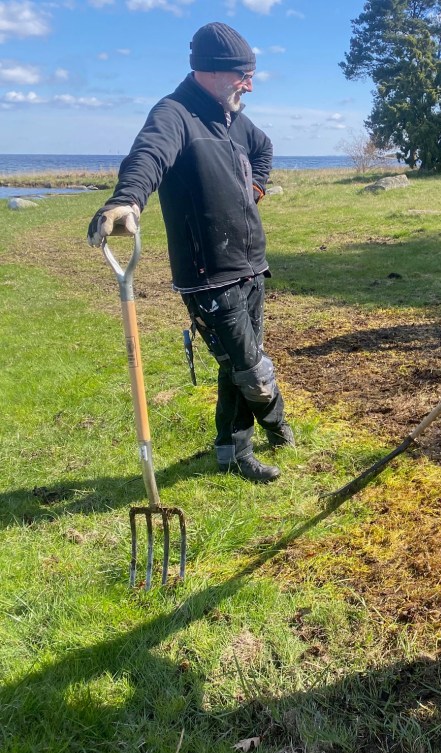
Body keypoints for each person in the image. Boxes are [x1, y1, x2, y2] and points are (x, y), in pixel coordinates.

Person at [87, 21, 294, 483]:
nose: (250, 85)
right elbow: (148, 155)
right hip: (207, 274)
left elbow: (264, 148)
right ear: (213, 71)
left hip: (250, 263)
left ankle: (232, 449)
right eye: (244, 75)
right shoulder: (174, 114)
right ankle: (276, 426)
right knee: (248, 367)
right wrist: (127, 200)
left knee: (240, 363)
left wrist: (253, 190)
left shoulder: (234, 119)